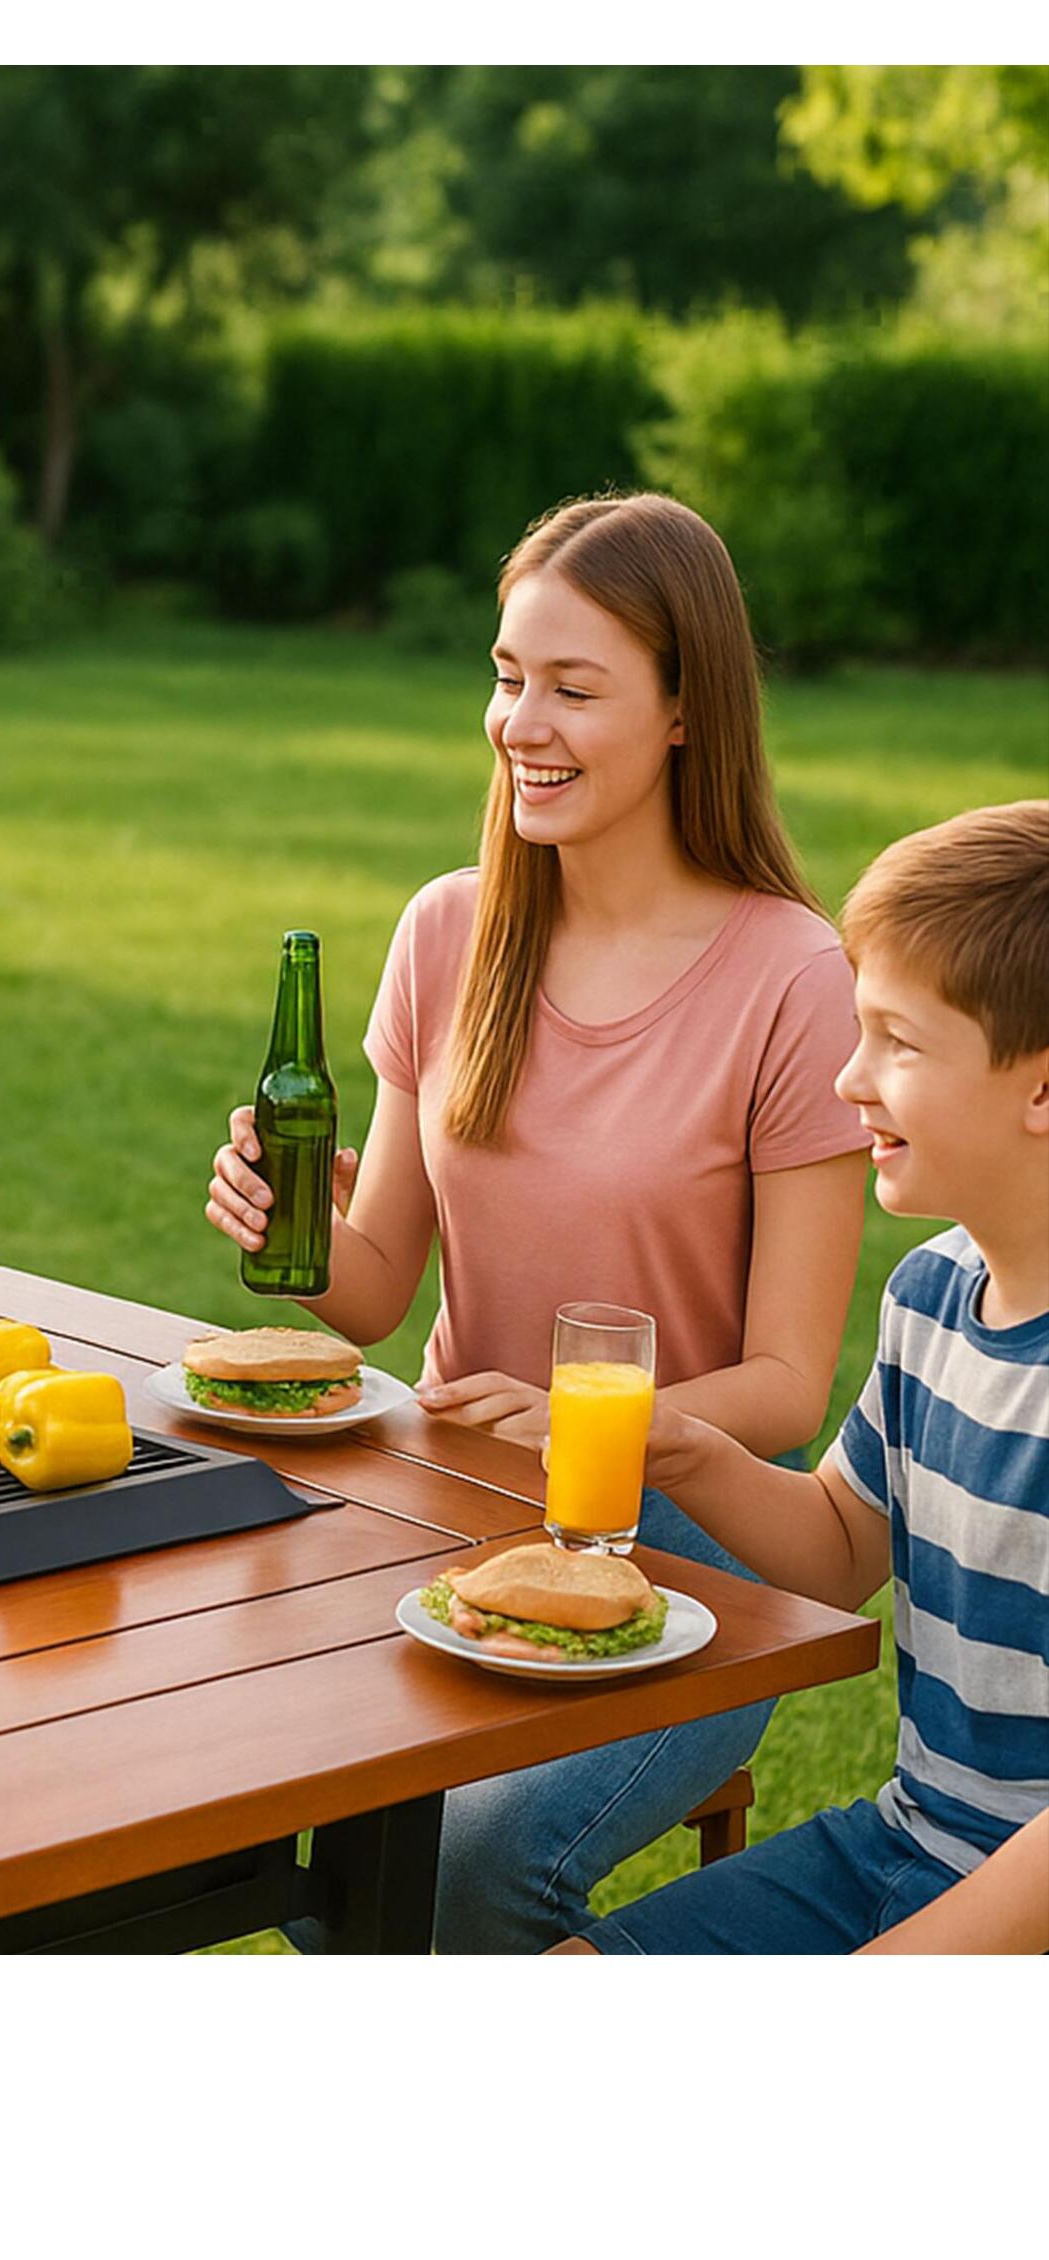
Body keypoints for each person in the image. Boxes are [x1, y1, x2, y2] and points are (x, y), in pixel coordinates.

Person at [205, 492, 869, 1952]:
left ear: (688, 711)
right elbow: (375, 1288)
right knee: (266, 1773)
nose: (522, 723)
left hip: (695, 1553)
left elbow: (784, 1387)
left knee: (467, 1858)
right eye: (508, 678)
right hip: (451, 1504)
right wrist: (287, 1218)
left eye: (574, 688)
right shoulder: (454, 929)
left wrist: (587, 1432)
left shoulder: (792, 977)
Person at [555, 803, 1049, 1954]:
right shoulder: (932, 1294)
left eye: (898, 1043)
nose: (846, 1081)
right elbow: (839, 1544)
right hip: (907, 1841)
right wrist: (690, 1452)